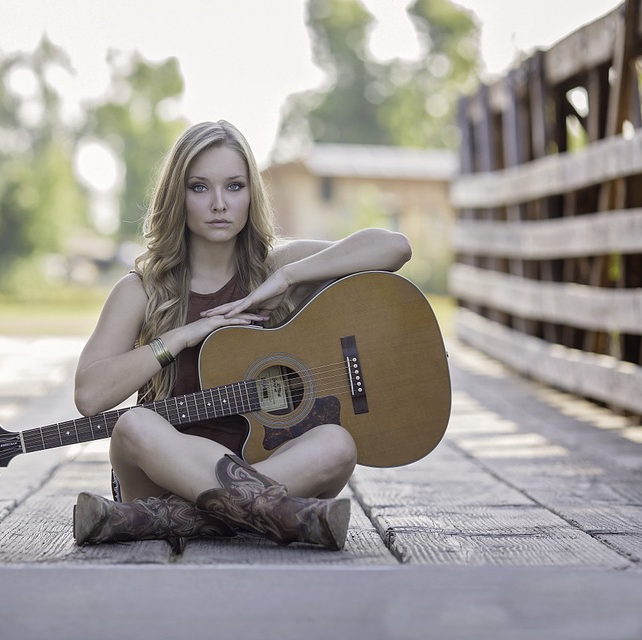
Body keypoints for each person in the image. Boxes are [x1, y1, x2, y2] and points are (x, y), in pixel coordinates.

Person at [72, 120, 411, 551]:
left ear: (252, 193)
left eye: (234, 186)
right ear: (178, 195)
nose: (218, 203)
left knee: (337, 444)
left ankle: (159, 521)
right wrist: (177, 339)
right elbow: (89, 396)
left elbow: (394, 247)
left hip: (265, 465)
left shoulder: (273, 270)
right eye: (199, 187)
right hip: (158, 477)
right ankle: (275, 514)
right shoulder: (141, 289)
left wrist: (289, 276)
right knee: (135, 424)